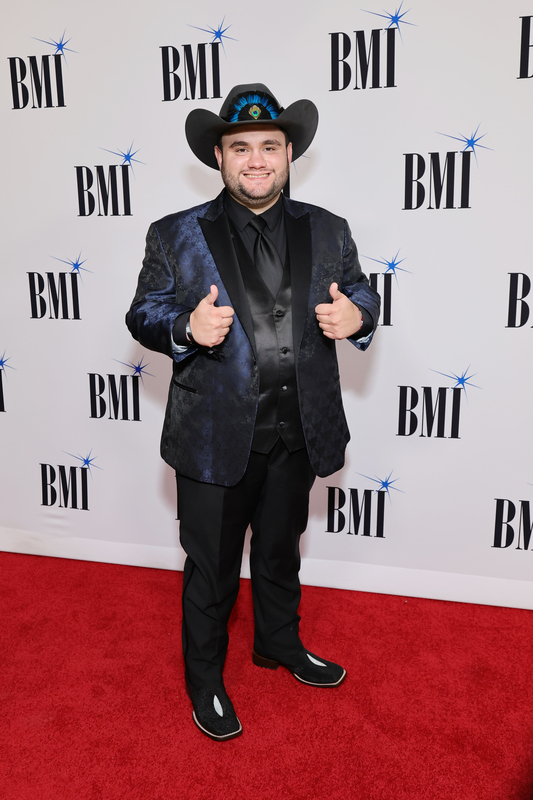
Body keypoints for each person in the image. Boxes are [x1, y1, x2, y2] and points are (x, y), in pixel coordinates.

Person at [126, 83, 381, 741]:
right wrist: (186, 326)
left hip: (297, 430)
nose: (257, 160)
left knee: (278, 552)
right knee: (210, 568)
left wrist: (360, 315)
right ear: (219, 154)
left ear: (288, 151)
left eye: (270, 145)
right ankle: (205, 682)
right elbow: (143, 312)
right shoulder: (174, 233)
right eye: (241, 147)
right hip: (212, 435)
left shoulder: (328, 228)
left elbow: (359, 294)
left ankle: (278, 643)